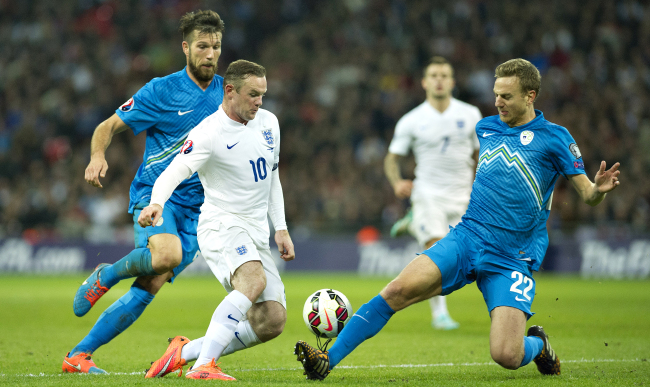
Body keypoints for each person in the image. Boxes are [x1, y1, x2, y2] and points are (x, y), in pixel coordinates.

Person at [295, 58, 621, 380]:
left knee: (506, 354)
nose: (498, 102)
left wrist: (599, 189)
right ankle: (327, 359)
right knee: (396, 291)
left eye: (506, 96)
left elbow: (588, 194)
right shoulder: (486, 127)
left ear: (530, 95)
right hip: (467, 238)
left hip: (512, 257)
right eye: (496, 94)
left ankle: (538, 344)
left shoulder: (555, 138)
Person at [62, 10, 227, 374]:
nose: (210, 54)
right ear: (186, 47)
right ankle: (106, 274)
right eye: (202, 46)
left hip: (200, 209)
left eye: (215, 46)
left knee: (149, 285)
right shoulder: (161, 90)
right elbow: (108, 126)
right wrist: (96, 156)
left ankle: (78, 355)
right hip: (157, 197)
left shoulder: (227, 95)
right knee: (165, 255)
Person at [138, 59, 295, 380]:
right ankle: (204, 366)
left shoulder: (269, 122)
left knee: (271, 320)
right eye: (253, 94)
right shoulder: (209, 132)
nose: (259, 102)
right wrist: (156, 203)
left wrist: (280, 227)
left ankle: (183, 353)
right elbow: (175, 170)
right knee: (253, 282)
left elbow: (272, 178)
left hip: (255, 232)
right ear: (230, 91)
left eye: (263, 94)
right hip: (221, 225)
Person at [385, 56, 482, 330]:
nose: (439, 79)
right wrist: (396, 182)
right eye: (434, 75)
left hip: (463, 196)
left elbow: (481, 154)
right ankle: (440, 314)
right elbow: (392, 158)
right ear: (425, 82)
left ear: (452, 82)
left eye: (444, 75)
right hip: (429, 194)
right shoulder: (412, 120)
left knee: (470, 259)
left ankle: (414, 222)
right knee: (439, 252)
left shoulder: (470, 114)